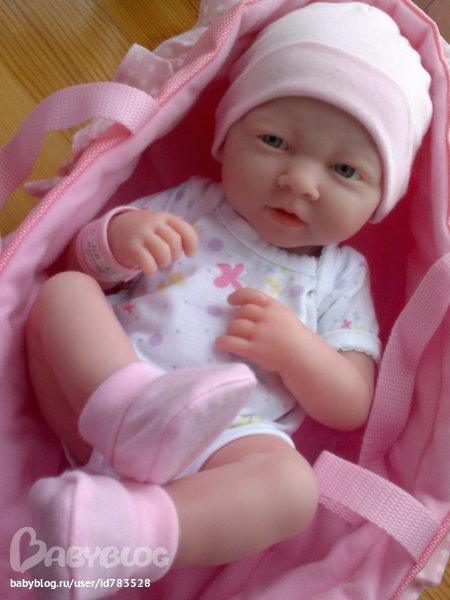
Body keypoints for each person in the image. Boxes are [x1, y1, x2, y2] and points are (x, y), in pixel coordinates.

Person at [27, 1, 432, 593]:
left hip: (218, 447)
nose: (300, 181)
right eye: (274, 140)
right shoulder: (193, 201)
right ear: (226, 138)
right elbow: (81, 264)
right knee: (65, 292)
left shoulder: (341, 275)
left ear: (379, 203)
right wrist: (119, 239)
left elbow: (351, 403)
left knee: (291, 490)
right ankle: (130, 414)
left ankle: (129, 532)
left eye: (345, 171)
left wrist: (297, 352)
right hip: (92, 400)